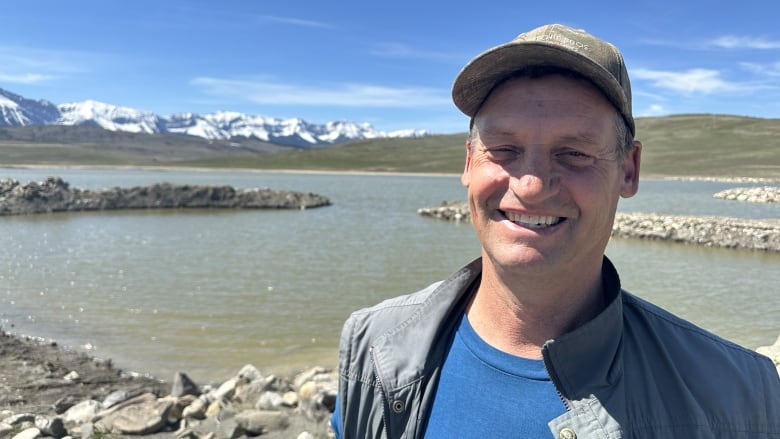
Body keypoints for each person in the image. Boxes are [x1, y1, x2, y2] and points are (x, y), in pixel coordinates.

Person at [331, 23, 780, 438]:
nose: (531, 186)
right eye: (503, 149)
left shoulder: (739, 396)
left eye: (574, 153)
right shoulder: (373, 346)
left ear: (629, 170)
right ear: (469, 162)